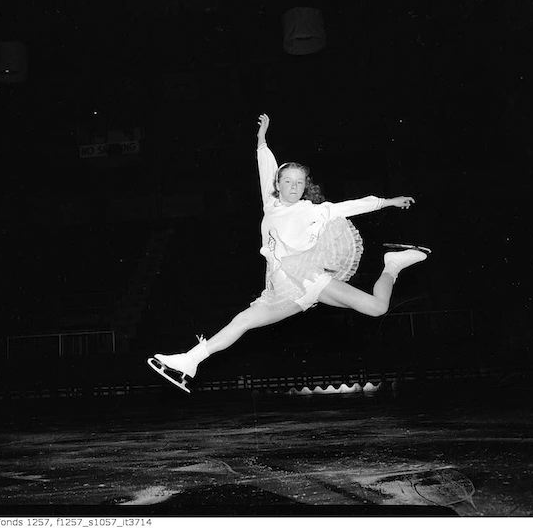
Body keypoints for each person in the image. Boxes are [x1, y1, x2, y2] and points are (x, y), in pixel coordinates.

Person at [148, 113, 430, 393]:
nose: (294, 187)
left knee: (377, 308)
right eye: (288, 182)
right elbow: (266, 168)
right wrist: (261, 141)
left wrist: (387, 202)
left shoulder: (312, 210)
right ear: (278, 184)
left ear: (304, 186)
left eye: (299, 183)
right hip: (280, 288)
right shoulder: (270, 205)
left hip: (308, 280)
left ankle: (391, 265)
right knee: (244, 320)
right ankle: (190, 360)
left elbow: (351, 205)